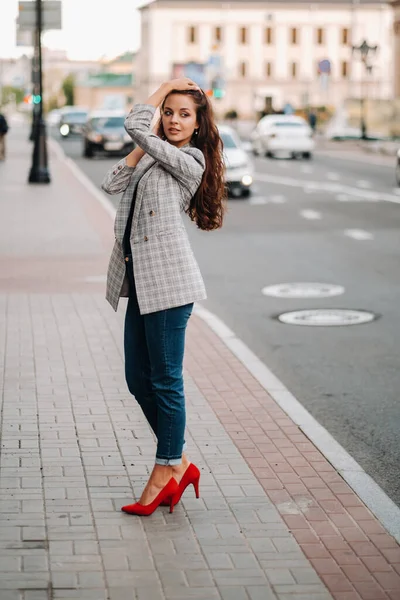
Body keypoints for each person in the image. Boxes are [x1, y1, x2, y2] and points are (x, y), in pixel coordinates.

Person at [101, 77, 226, 516]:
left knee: (166, 381)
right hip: (142, 284)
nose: (172, 119)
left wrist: (161, 91)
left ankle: (165, 468)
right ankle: (181, 463)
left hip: (170, 286)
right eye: (168, 111)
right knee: (139, 379)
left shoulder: (190, 160)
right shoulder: (157, 156)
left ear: (197, 125)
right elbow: (111, 183)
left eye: (183, 114)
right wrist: (144, 144)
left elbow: (135, 125)